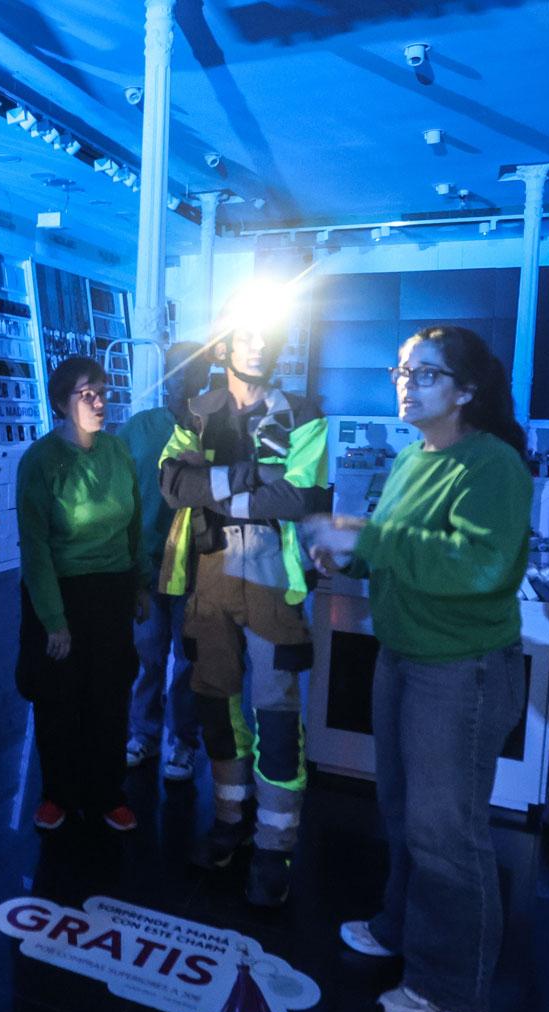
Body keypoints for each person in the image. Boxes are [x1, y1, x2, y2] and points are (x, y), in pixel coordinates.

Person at [314, 325, 533, 1012]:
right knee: (404, 813)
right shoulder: (413, 459)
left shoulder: (492, 465)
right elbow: (395, 544)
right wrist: (348, 555)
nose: (407, 383)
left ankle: (453, 987)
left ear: (468, 390)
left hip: (460, 671)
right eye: (402, 370)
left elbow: (480, 566)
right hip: (404, 655)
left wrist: (369, 540)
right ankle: (400, 927)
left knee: (449, 833)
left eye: (427, 374)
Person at [158, 298, 332, 907]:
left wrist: (214, 490)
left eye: (268, 334)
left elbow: (300, 498)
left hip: (271, 584)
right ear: (227, 343)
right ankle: (230, 822)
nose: (257, 345)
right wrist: (246, 479)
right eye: (246, 334)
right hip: (208, 580)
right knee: (213, 706)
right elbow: (171, 484)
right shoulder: (196, 411)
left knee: (277, 716)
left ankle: (274, 845)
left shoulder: (304, 414)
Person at [15, 357, 146, 831]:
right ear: (59, 402)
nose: (99, 400)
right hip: (61, 591)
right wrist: (53, 619)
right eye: (86, 393)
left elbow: (133, 525)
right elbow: (35, 545)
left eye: (102, 390)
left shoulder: (117, 452)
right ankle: (58, 793)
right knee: (58, 698)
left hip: (111, 590)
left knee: (110, 695)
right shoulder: (40, 462)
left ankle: (107, 791)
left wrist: (139, 584)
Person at [120, 342, 207, 783]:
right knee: (147, 655)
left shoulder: (218, 429)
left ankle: (183, 742)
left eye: (194, 370)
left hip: (198, 569)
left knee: (190, 659)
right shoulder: (138, 429)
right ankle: (144, 733)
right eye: (176, 370)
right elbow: (114, 491)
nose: (183, 379)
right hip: (146, 565)